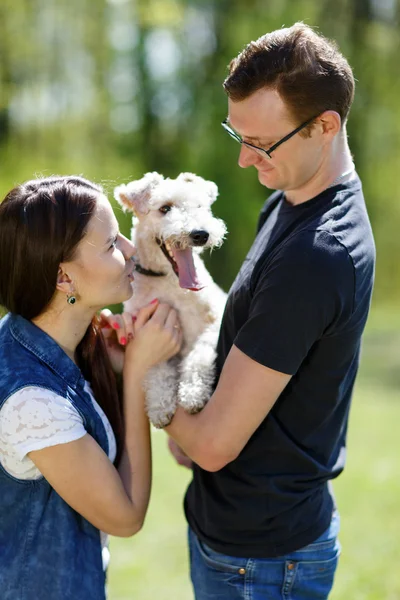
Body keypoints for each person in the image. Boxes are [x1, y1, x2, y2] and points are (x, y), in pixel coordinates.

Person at [165, 23, 376, 599]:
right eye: (238, 134)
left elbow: (211, 446)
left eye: (260, 143)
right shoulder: (287, 201)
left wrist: (139, 377)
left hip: (263, 562)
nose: (241, 159)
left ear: (324, 126)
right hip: (242, 542)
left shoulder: (317, 255)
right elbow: (242, 329)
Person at [0, 175, 182, 600]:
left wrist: (116, 360)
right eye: (112, 244)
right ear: (64, 278)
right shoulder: (31, 403)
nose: (131, 250)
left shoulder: (42, 338)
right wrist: (137, 371)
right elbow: (126, 516)